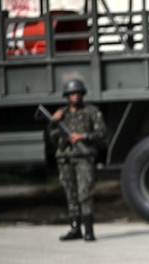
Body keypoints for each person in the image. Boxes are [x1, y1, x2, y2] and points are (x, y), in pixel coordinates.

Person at [48, 79, 107, 241]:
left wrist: (83, 136)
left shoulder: (91, 111)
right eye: (72, 94)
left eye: (78, 93)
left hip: (83, 158)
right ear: (67, 96)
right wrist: (54, 122)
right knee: (71, 194)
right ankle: (75, 229)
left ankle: (89, 230)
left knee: (85, 194)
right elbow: (52, 138)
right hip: (65, 158)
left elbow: (101, 133)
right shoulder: (61, 114)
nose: (75, 96)